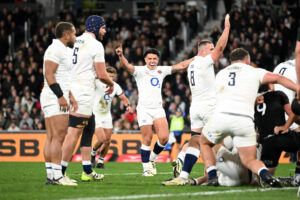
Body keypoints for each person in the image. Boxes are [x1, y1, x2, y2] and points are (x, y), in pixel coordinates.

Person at [198, 48, 299, 187]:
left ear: (231, 61)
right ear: (248, 60)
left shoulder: (220, 73)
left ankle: (212, 176)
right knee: (250, 160)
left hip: (221, 117)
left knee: (204, 142)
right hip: (244, 120)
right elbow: (278, 78)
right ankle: (266, 176)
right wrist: (297, 88)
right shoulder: (254, 71)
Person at [164, 14, 230, 183]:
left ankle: (184, 176)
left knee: (195, 140)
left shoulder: (192, 64)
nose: (213, 50)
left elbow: (181, 65)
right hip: (209, 106)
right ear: (203, 50)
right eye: (210, 48)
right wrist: (227, 28)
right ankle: (216, 174)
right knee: (215, 142)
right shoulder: (203, 62)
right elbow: (221, 48)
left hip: (196, 108)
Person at [115, 46, 193, 176]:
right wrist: (120, 55)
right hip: (144, 109)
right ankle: (146, 169)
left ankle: (151, 159)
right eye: (149, 58)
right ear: (145, 59)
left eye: (155, 58)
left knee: (164, 138)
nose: (152, 61)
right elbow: (127, 66)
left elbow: (181, 65)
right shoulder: (140, 71)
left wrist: (196, 57)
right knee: (147, 138)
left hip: (157, 109)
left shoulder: (161, 70)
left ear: (158, 60)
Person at [61, 15, 114, 181]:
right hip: (82, 93)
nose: (105, 31)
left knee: (89, 128)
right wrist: (110, 83)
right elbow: (101, 73)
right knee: (73, 133)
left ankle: (87, 170)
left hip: (71, 89)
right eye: (103, 27)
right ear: (96, 27)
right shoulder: (96, 45)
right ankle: (59, 172)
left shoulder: (74, 40)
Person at [40, 22, 77, 186]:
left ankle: (51, 175)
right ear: (67, 34)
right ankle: (57, 176)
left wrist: (70, 95)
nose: (75, 37)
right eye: (74, 34)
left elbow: (61, 76)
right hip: (54, 97)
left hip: (52, 96)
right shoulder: (56, 49)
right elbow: (49, 74)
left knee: (51, 137)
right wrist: (61, 96)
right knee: (59, 137)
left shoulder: (60, 49)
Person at [255, 89, 300, 186]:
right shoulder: (278, 95)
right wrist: (286, 126)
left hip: (265, 141)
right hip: (268, 140)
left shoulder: (278, 95)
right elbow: (294, 113)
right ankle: (298, 175)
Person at [91, 67, 132, 168]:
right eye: (109, 76)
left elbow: (123, 98)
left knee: (108, 140)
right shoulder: (97, 82)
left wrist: (128, 105)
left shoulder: (116, 86)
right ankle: (92, 154)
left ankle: (100, 161)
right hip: (95, 114)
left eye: (113, 77)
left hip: (106, 115)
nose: (111, 78)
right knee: (101, 139)